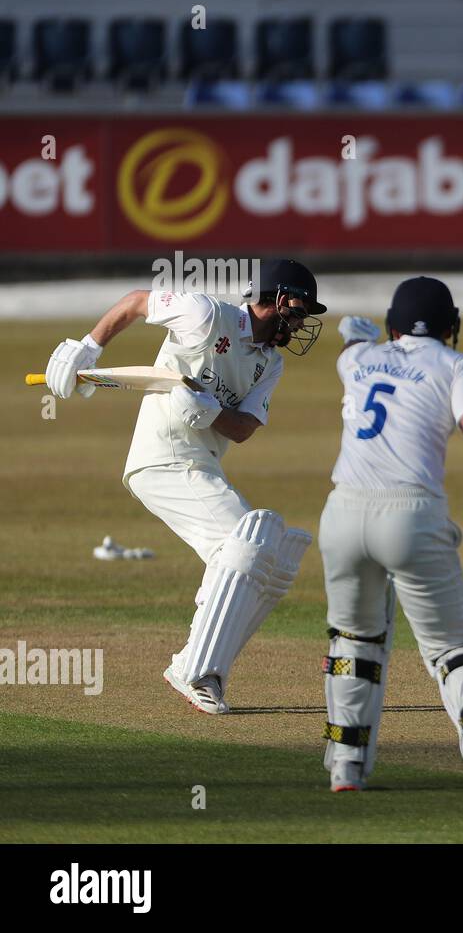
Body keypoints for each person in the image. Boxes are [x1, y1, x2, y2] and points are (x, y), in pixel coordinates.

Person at [42, 259, 326, 714]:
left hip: (203, 464)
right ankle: (195, 670)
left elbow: (244, 428)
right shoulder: (206, 314)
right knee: (243, 543)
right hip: (162, 459)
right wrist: (89, 347)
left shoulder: (269, 364)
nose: (299, 324)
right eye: (296, 311)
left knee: (270, 558)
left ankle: (202, 666)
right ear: (271, 299)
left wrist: (211, 412)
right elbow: (136, 302)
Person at [318, 277, 463, 794]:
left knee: (354, 644)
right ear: (451, 327)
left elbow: (351, 349)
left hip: (341, 513)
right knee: (453, 645)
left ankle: (346, 766)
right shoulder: (457, 364)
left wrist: (353, 336)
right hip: (411, 515)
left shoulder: (358, 360)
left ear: (391, 326)